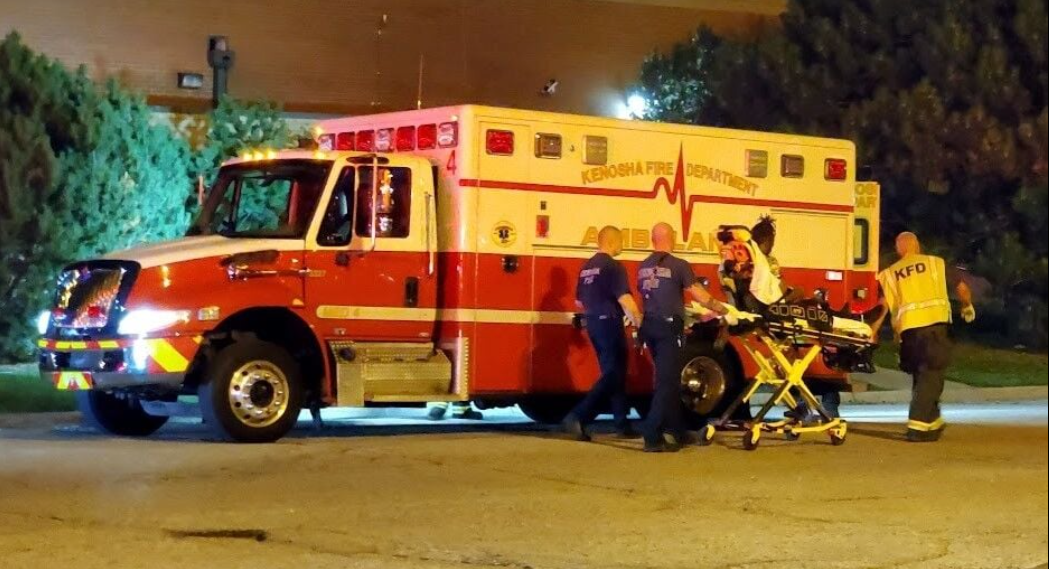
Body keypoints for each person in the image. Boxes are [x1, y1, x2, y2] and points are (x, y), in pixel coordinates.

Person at [872, 232, 976, 442]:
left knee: (923, 376)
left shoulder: (890, 273)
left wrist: (874, 331)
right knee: (932, 375)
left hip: (909, 333)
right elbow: (962, 288)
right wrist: (967, 306)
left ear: (899, 249)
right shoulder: (935, 263)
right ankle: (917, 426)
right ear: (917, 245)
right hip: (934, 328)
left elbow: (886, 306)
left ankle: (932, 423)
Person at [638, 222, 732, 452]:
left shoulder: (643, 266)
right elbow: (699, 295)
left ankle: (677, 430)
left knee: (666, 378)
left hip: (649, 326)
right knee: (667, 382)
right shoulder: (679, 265)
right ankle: (651, 434)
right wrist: (722, 308)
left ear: (652, 240)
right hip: (669, 328)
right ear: (672, 238)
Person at [750, 215, 841, 419]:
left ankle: (799, 404)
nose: (773, 245)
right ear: (767, 240)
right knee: (805, 298)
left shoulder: (748, 261)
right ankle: (805, 404)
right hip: (776, 308)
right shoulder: (767, 261)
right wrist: (792, 295)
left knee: (787, 359)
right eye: (772, 240)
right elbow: (779, 288)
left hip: (765, 309)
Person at [561, 226, 642, 441]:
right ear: (612, 241)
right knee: (614, 374)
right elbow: (625, 299)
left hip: (594, 324)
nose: (622, 246)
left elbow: (579, 301)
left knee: (614, 373)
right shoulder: (613, 267)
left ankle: (622, 423)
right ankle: (578, 416)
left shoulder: (587, 267)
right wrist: (639, 321)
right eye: (621, 241)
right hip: (610, 323)